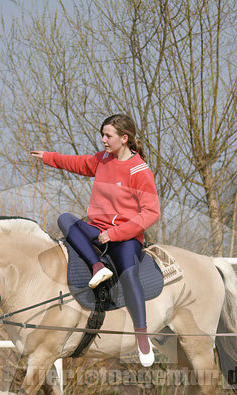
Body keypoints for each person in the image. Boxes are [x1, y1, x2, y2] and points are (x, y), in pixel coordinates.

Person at [31, 113, 160, 367]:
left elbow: (151, 213)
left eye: (108, 136)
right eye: (102, 135)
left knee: (128, 273)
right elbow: (78, 163)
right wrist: (49, 157)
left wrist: (115, 234)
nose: (103, 140)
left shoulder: (139, 170)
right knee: (66, 220)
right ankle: (97, 266)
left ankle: (142, 335)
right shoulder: (103, 160)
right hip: (96, 230)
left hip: (125, 238)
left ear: (124, 139)